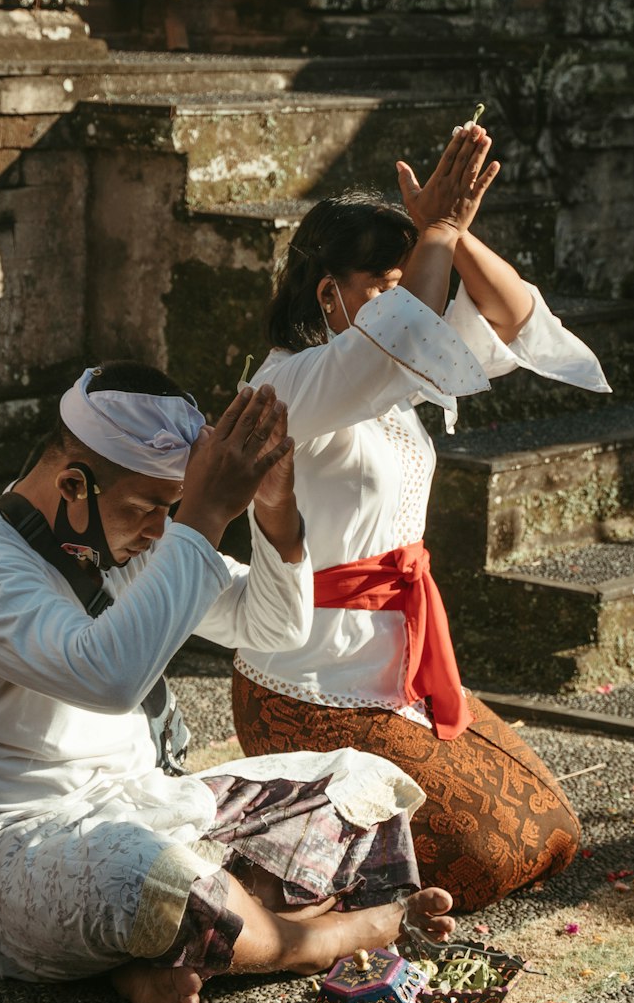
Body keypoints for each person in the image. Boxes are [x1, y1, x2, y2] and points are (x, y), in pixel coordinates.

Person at [0, 361, 456, 1003]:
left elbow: (272, 626)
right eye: (149, 509)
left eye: (172, 510)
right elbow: (107, 678)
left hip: (144, 808)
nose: (160, 532)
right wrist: (205, 511)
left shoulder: (118, 537)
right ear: (74, 484)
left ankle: (147, 956)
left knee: (365, 785)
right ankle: (321, 938)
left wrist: (274, 512)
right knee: (150, 880)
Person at [232, 120, 611, 913]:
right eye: (386, 282)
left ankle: (320, 858)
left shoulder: (391, 367)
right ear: (327, 288)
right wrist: (432, 235)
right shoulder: (293, 383)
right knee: (487, 862)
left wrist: (457, 236)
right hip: (308, 683)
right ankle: (298, 861)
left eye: (412, 278)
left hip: (399, 669)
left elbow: (513, 321)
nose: (412, 298)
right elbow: (395, 340)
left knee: (552, 831)